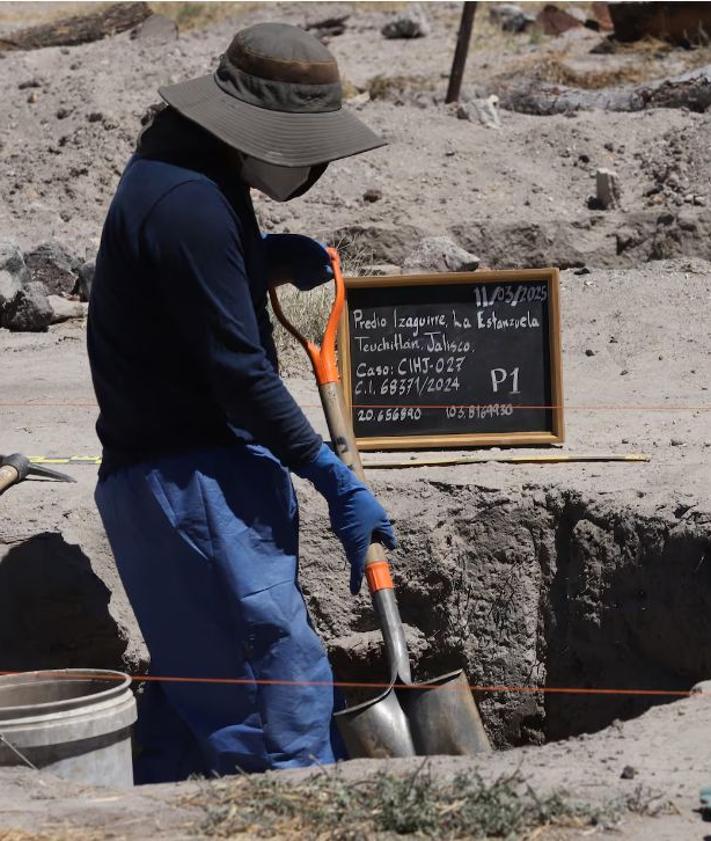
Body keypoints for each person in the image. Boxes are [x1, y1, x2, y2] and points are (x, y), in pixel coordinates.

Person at [87, 22, 395, 783]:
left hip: (181, 480)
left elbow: (176, 299)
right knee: (274, 706)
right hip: (191, 487)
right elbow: (241, 373)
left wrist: (251, 264)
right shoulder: (190, 201)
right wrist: (331, 474)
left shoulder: (182, 167)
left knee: (207, 700)